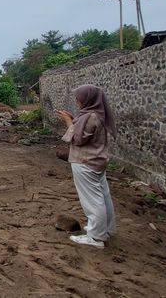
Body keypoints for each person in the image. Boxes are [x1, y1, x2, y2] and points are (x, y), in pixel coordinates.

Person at [55, 84, 117, 249]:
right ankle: (107, 230)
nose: (77, 102)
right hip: (97, 161)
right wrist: (73, 119)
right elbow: (85, 132)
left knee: (93, 201)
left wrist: (69, 122)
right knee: (103, 197)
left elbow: (78, 139)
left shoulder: (89, 117)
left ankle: (96, 237)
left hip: (85, 163)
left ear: (88, 99)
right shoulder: (98, 114)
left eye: (79, 99)